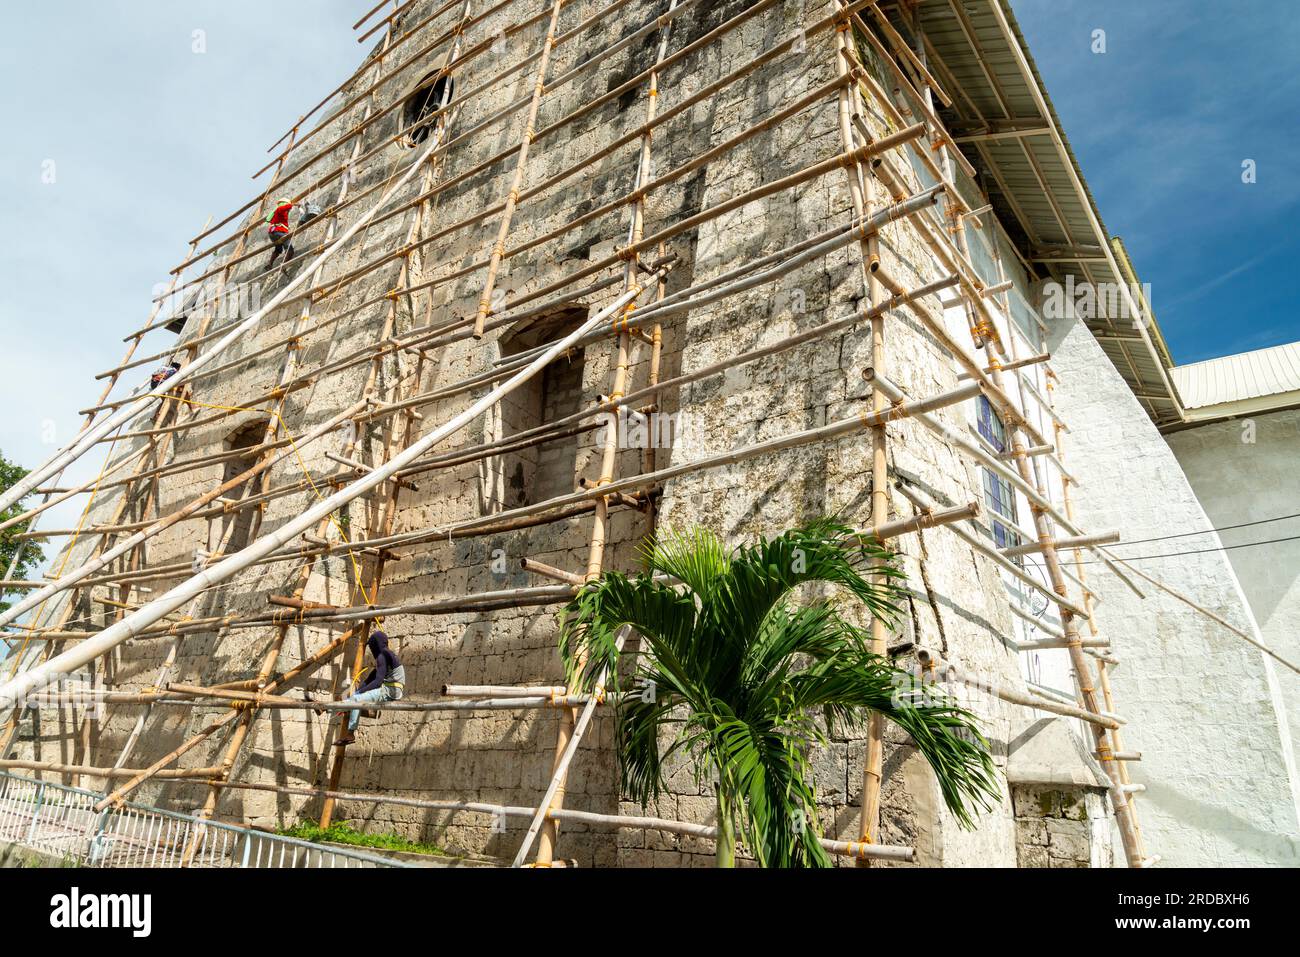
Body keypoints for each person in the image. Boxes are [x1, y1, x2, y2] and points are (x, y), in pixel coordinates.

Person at [334, 630, 404, 745]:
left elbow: (377, 682)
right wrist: (358, 692)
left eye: (371, 646)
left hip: (390, 690)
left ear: (376, 644)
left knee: (357, 700)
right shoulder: (385, 655)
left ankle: (350, 733)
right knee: (353, 700)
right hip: (391, 689)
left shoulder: (383, 656)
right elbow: (370, 679)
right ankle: (326, 708)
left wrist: (359, 694)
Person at [266, 197, 295, 267]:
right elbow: (286, 207)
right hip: (279, 231)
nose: (289, 210)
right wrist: (293, 204)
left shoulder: (276, 212)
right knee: (289, 249)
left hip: (273, 233)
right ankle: (284, 265)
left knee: (278, 249)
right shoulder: (280, 209)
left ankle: (270, 264)